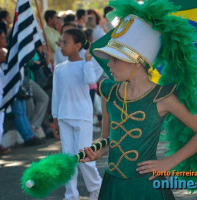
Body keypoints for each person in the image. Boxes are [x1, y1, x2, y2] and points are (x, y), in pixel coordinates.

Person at [80, 0, 197, 199]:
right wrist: (100, 151)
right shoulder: (108, 91)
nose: (108, 64)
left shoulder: (163, 98)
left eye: (114, 58)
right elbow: (107, 139)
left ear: (136, 61)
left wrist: (169, 162)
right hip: (112, 186)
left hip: (147, 188)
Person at [52, 28, 103, 200]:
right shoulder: (59, 69)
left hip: (82, 116)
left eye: (66, 42)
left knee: (84, 155)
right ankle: (71, 195)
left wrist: (88, 60)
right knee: (68, 158)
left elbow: (90, 81)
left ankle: (96, 188)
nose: (61, 46)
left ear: (78, 45)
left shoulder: (88, 64)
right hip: (65, 116)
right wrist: (55, 119)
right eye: (61, 42)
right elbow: (56, 95)